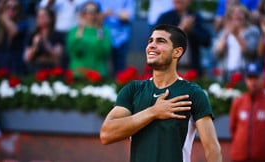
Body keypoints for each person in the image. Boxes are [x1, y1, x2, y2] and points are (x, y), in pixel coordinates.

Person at [100, 24, 222, 162]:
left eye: (160, 41)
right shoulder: (133, 90)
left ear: (177, 52)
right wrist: (153, 112)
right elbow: (106, 134)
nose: (152, 45)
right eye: (150, 41)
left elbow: (212, 149)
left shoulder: (193, 93)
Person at [230, 61, 265, 162]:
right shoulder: (238, 103)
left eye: (256, 78)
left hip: (264, 158)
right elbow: (233, 129)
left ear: (263, 79)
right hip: (239, 158)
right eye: (250, 78)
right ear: (246, 80)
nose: (253, 82)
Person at [156, 0, 211, 77]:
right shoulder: (165, 18)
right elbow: (157, 43)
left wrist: (191, 30)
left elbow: (207, 41)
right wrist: (181, 28)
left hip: (192, 71)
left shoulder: (195, 17)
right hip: (169, 70)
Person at [213, 3, 261, 83]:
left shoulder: (252, 31)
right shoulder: (224, 32)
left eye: (240, 13)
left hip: (244, 72)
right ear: (230, 17)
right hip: (226, 72)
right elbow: (216, 53)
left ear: (245, 16)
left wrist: (236, 35)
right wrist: (226, 35)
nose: (237, 15)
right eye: (234, 13)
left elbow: (251, 52)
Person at [66, 1, 111, 78]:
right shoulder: (74, 31)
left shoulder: (104, 31)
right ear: (82, 13)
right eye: (87, 10)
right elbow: (74, 51)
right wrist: (80, 29)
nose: (90, 13)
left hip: (98, 74)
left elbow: (104, 51)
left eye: (94, 11)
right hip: (78, 74)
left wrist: (99, 28)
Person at [95, 0, 136, 76]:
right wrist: (117, 13)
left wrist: (109, 13)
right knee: (100, 68)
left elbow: (128, 16)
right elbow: (93, 15)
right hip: (102, 37)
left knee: (120, 71)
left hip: (121, 38)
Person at [24, 7, 64, 73]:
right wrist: (35, 46)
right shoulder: (32, 35)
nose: (40, 18)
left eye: (44, 15)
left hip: (52, 72)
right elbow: (27, 59)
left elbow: (58, 60)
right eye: (38, 16)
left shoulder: (57, 35)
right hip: (34, 71)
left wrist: (46, 44)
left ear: (51, 18)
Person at [0, 0, 28, 75]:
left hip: (15, 65)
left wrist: (1, 15)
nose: (11, 10)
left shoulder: (23, 23)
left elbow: (14, 31)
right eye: (8, 7)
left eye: (15, 8)